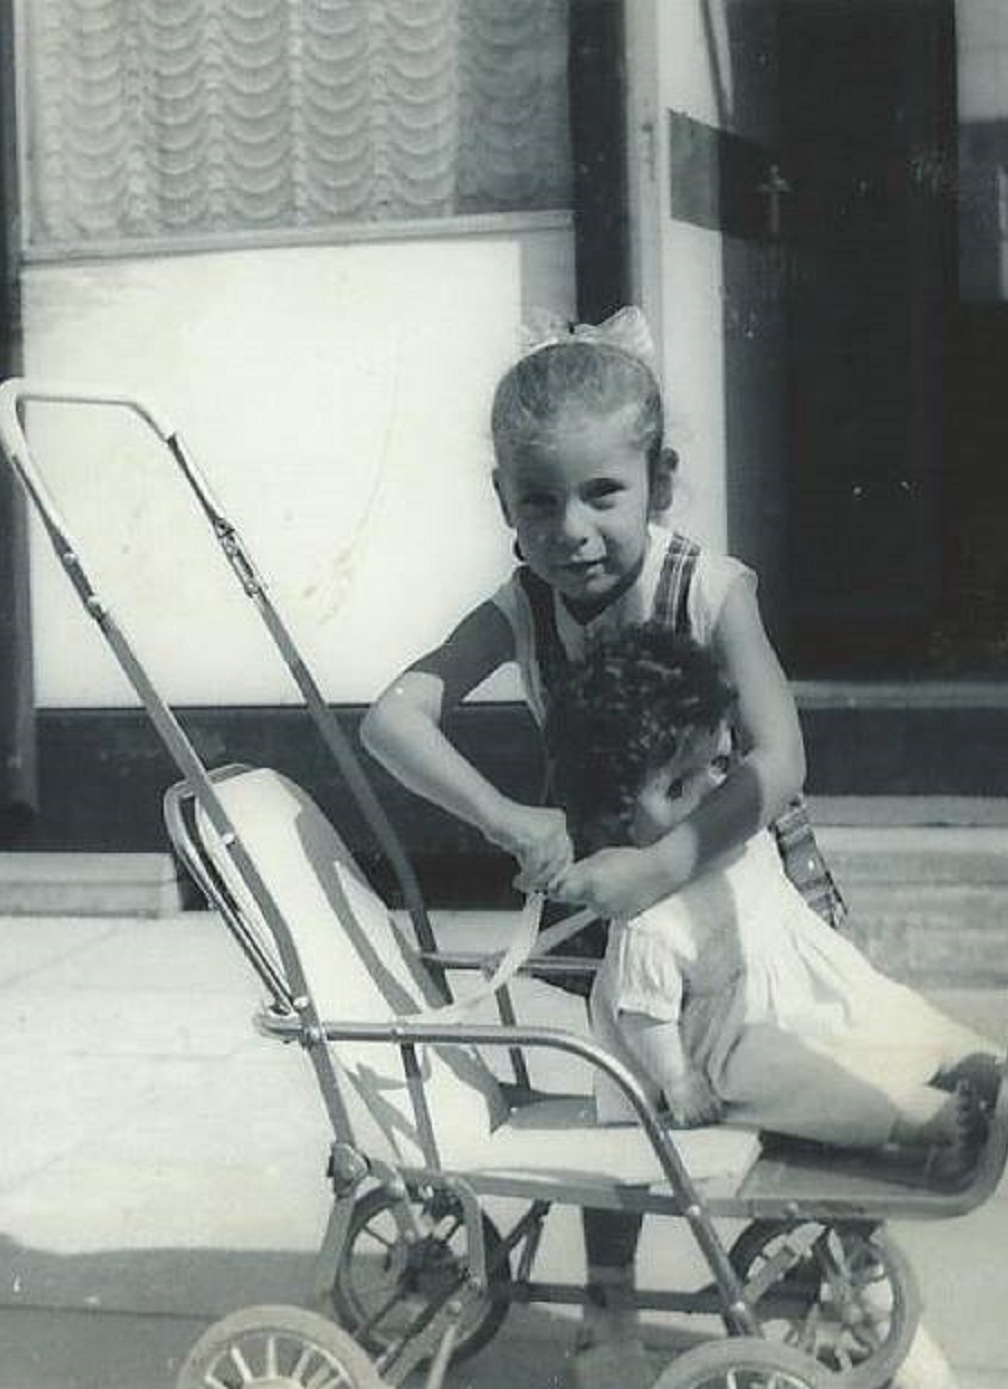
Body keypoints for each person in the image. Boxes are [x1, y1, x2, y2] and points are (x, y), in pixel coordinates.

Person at [360, 306, 823, 1385]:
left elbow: (782, 757)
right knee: (620, 1092)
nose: (569, 528)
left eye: (600, 494)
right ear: (502, 504)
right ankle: (606, 1310)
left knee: (772, 1066)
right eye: (537, 500)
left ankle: (788, 1266)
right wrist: (512, 819)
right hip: (601, 895)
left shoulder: (709, 589)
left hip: (723, 871)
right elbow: (392, 718)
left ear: (657, 484)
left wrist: (667, 865)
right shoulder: (523, 605)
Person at [545, 622, 1008, 1168]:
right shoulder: (649, 922)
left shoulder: (737, 839)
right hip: (729, 1042)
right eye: (677, 786)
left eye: (720, 764)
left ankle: (989, 1066)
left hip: (809, 989)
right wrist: (679, 1080)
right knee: (805, 1079)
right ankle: (918, 1118)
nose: (716, 791)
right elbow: (644, 1015)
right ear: (616, 815)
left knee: (889, 1010)